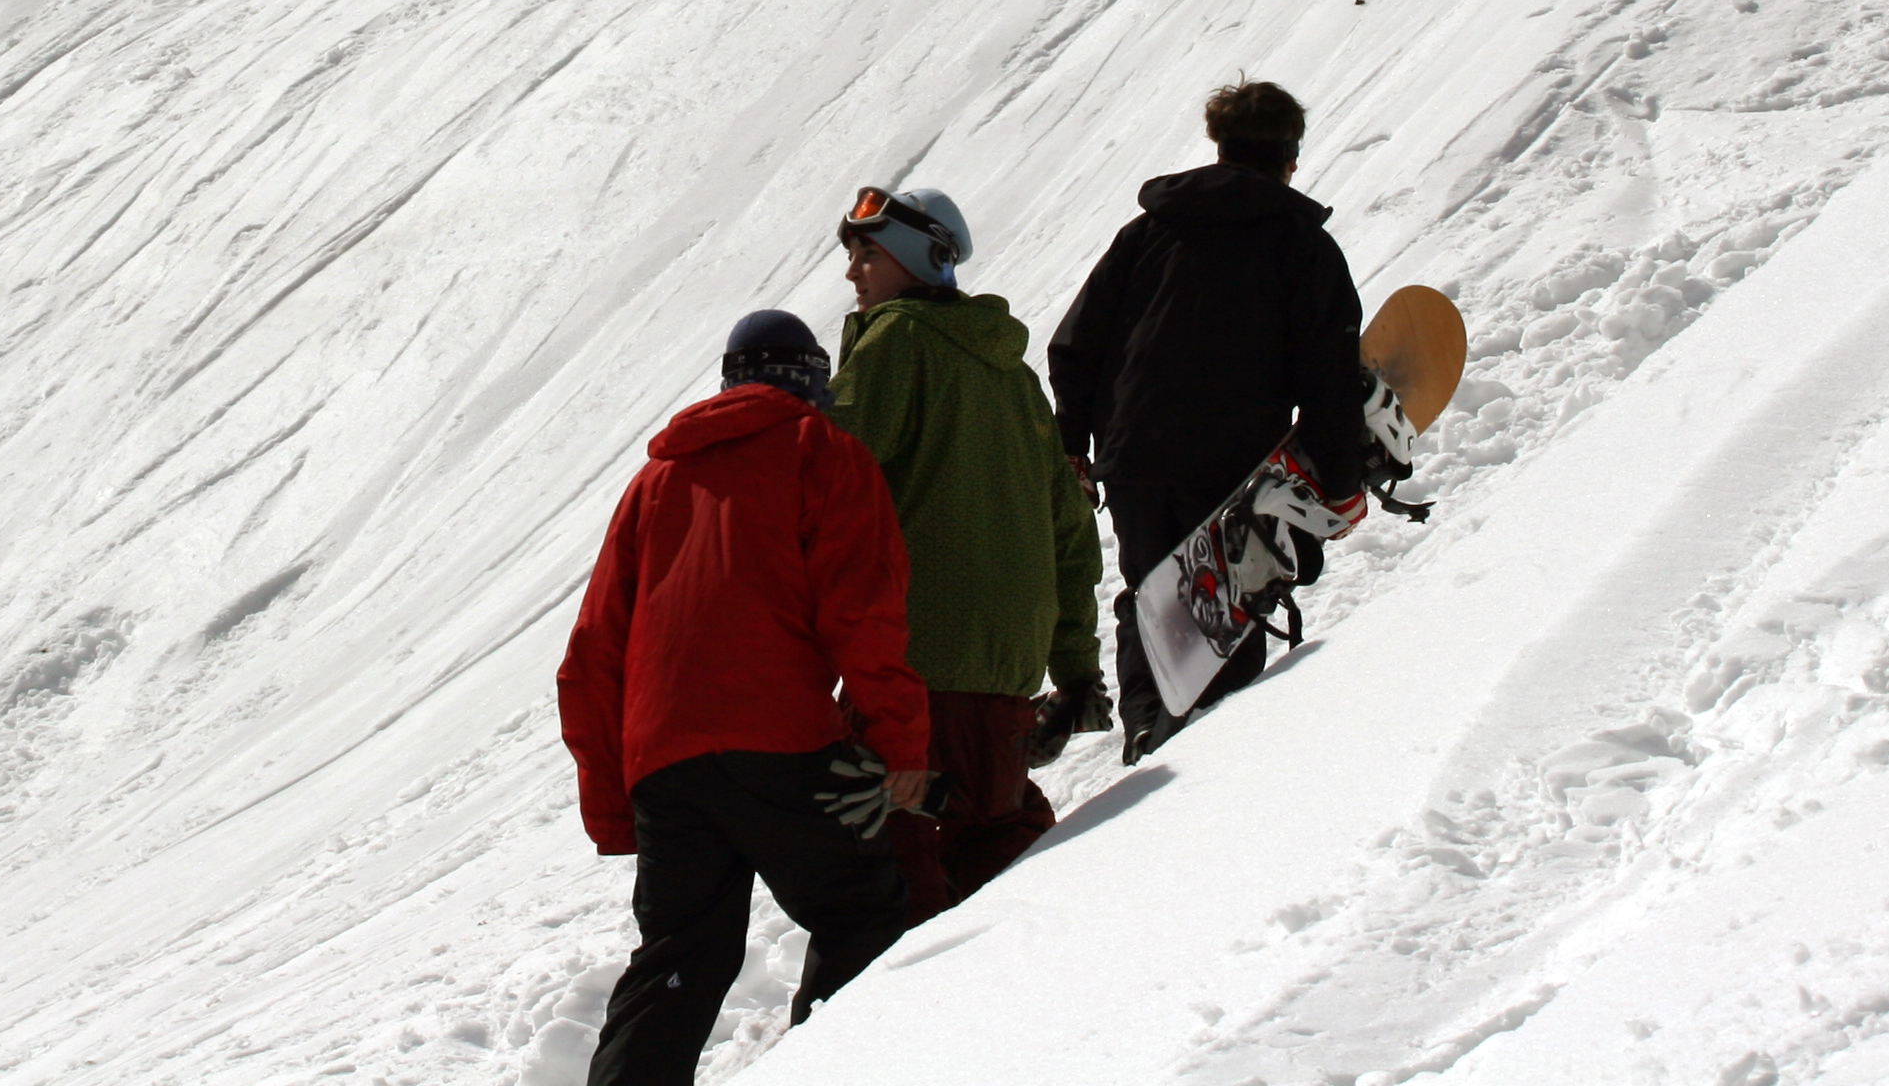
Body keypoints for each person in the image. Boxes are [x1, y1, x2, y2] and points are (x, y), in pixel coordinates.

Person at [558, 309, 934, 1085]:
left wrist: (611, 802)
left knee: (679, 958)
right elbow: (863, 611)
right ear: (812, 384)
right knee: (859, 911)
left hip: (663, 762)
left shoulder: (655, 482)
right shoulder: (822, 453)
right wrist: (900, 745)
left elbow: (593, 653)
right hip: (782, 741)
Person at [1047, 80, 1371, 764]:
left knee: (1153, 599)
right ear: (1290, 156)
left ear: (1220, 147)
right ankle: (1209, 757)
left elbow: (1075, 345)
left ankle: (1148, 735)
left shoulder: (1146, 234)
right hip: (1228, 466)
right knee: (1220, 610)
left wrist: (1073, 444)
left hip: (1132, 457)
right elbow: (1330, 378)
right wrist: (1341, 481)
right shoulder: (1300, 246)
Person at [825, 184, 1107, 921]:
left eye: (868, 254)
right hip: (1002, 678)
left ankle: (893, 1016)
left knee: (892, 873)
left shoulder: (896, 345)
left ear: (921, 258)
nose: (853, 272)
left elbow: (829, 482)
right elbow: (1070, 532)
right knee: (993, 844)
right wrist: (1075, 671)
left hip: (911, 667)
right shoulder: (1012, 378)